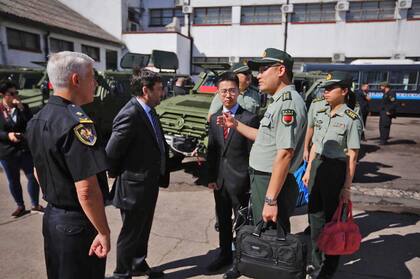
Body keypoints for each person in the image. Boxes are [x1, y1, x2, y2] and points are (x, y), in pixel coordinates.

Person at [25, 51, 111, 279]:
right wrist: (103, 231)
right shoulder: (77, 123)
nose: (94, 83)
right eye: (92, 77)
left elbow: (36, 170)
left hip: (53, 217)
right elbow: (86, 190)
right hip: (78, 224)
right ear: (76, 80)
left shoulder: (38, 118)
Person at [218, 48, 307, 233]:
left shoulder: (287, 103)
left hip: (271, 181)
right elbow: (265, 137)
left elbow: (284, 154)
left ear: (281, 70)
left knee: (271, 238)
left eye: (264, 69)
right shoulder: (279, 101)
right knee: (267, 235)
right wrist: (234, 124)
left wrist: (271, 200)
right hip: (266, 179)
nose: (258, 75)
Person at [106, 69, 170, 279]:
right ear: (146, 90)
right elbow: (112, 153)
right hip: (133, 187)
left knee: (143, 229)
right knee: (130, 233)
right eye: (159, 89)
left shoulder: (148, 110)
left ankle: (138, 264)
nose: (163, 93)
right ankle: (122, 273)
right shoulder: (130, 113)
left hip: (148, 183)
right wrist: (121, 175)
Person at [302, 71, 362, 279]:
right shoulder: (321, 113)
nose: (325, 92)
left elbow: (352, 156)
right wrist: (309, 169)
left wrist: (346, 187)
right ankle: (316, 263)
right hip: (318, 165)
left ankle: (328, 269)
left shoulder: (351, 118)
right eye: (325, 88)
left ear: (344, 91)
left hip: (336, 170)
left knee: (332, 222)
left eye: (330, 89)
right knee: (315, 217)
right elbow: (316, 144)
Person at [206, 72, 259, 275]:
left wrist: (251, 181)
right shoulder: (215, 118)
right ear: (218, 93)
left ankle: (240, 260)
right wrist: (211, 177)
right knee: (223, 219)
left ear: (238, 91)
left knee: (242, 222)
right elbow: (212, 150)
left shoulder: (250, 118)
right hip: (220, 181)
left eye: (232, 90)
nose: (228, 95)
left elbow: (252, 153)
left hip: (241, 180)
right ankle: (224, 255)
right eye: (224, 91)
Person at [0, 80, 43, 217]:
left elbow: (31, 124)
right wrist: (8, 135)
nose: (15, 96)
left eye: (16, 93)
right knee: (13, 180)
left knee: (32, 177)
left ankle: (35, 204)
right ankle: (20, 206)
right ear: (3, 95)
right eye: (11, 93)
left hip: (24, 149)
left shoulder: (23, 107)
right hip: (6, 151)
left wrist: (22, 109)